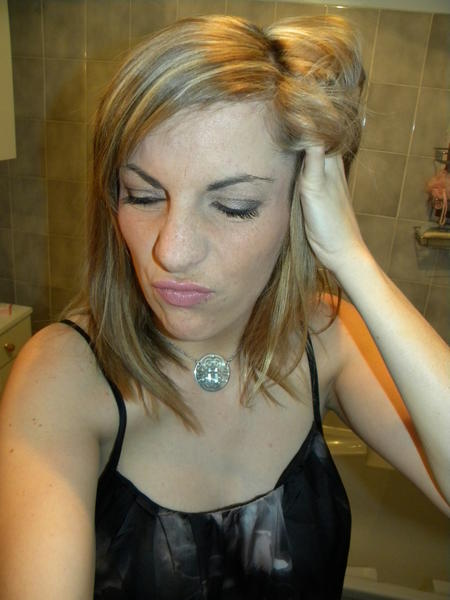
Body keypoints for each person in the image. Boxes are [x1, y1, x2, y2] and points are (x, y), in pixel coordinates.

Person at [0, 14, 448, 600]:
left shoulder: (327, 337)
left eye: (234, 205)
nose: (172, 251)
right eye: (142, 195)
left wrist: (351, 259)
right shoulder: (63, 376)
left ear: (301, 206)